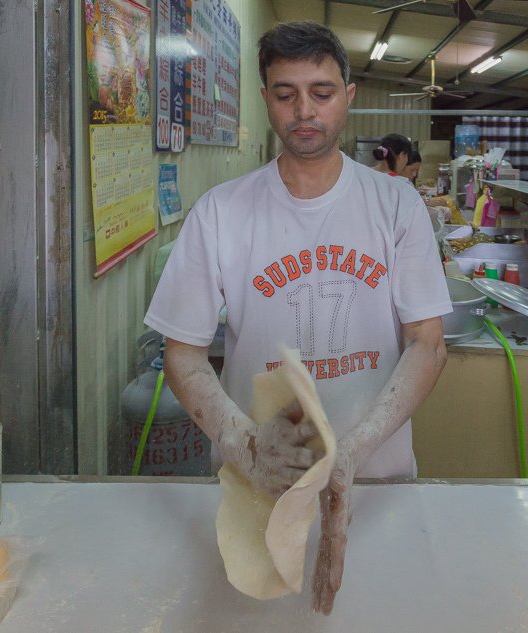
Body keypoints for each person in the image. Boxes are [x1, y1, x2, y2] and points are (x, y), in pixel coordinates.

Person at [144, 21, 451, 614]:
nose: (304, 110)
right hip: (258, 485)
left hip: (376, 479)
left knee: (382, 615)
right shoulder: (222, 212)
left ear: (349, 95)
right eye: (286, 94)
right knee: (252, 618)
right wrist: (243, 441)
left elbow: (427, 344)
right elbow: (181, 353)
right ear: (265, 99)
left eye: (322, 92)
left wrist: (354, 451)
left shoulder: (395, 204)